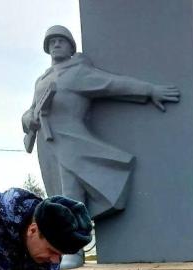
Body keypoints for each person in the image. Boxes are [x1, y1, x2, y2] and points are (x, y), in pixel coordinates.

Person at [22, 25, 179, 220]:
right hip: (45, 145)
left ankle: (73, 249)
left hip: (71, 141)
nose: (56, 45)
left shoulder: (77, 72)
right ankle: (66, 247)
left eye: (61, 41)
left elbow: (113, 84)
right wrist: (28, 118)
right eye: (52, 42)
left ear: (72, 48)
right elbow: (31, 109)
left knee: (71, 197)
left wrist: (149, 90)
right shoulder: (41, 80)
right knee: (55, 197)